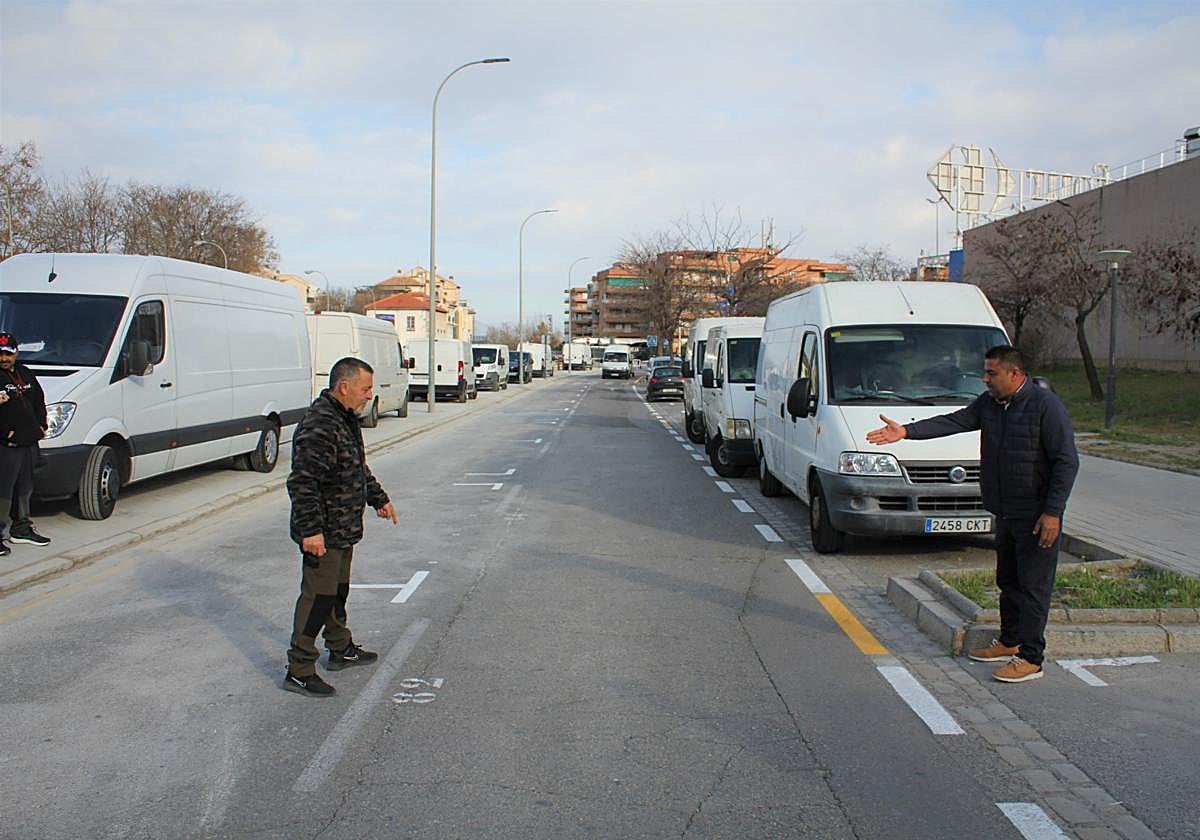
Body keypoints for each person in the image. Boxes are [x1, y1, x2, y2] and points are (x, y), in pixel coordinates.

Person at [866, 345, 1079, 684]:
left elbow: (1066, 462)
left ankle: (1031, 658)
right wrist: (906, 432)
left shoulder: (1045, 406)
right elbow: (955, 421)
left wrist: (1053, 513)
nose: (985, 379)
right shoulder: (991, 404)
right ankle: (1010, 641)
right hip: (1005, 511)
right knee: (1008, 581)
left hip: (1036, 516)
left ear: (1014, 374)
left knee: (1034, 587)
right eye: (985, 372)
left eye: (992, 373)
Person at [284, 357, 398, 697]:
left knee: (337, 592)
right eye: (365, 389)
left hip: (344, 527)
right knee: (317, 598)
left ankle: (340, 647)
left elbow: (356, 469)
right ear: (344, 386)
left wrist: (378, 498)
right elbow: (302, 483)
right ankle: (300, 668)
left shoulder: (345, 419)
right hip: (325, 531)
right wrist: (310, 531)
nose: (368, 396)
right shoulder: (320, 424)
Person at [0, 331, 51, 556]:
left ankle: (21, 528)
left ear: (15, 353)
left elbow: (39, 401)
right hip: (6, 446)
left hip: (29, 443)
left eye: (7, 354)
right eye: (0, 354)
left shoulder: (25, 374)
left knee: (24, 489)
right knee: (3, 492)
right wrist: (5, 433)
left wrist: (42, 425)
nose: (3, 358)